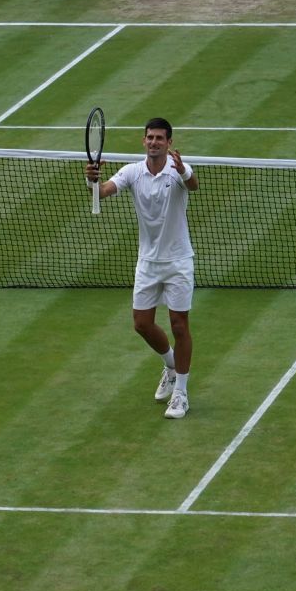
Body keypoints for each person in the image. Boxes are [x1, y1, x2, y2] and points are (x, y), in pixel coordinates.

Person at [85, 117, 199, 419]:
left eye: (160, 138)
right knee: (141, 324)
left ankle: (181, 394)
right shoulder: (133, 172)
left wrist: (184, 169)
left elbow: (193, 185)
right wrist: (92, 180)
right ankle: (172, 365)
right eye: (150, 137)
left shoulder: (178, 171)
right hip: (148, 263)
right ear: (143, 140)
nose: (154, 142)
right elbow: (104, 190)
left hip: (178, 262)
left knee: (179, 326)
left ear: (169, 143)